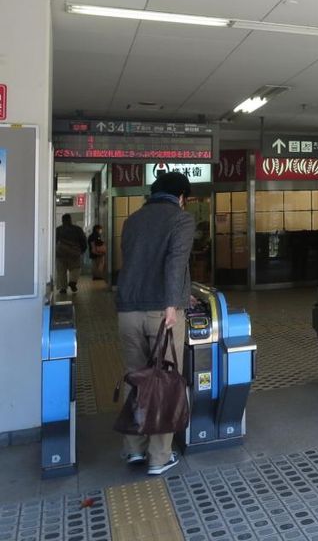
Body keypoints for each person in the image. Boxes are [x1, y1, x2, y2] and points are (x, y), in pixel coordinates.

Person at [116, 172, 195, 476]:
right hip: (161, 314)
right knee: (163, 382)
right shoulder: (181, 219)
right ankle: (159, 457)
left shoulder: (132, 220)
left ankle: (133, 448)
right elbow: (176, 262)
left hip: (128, 310)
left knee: (136, 379)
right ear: (181, 197)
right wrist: (172, 306)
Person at [55, 213, 87, 294]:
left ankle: (63, 288)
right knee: (76, 268)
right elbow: (83, 241)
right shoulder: (77, 229)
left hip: (60, 254)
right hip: (74, 253)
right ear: (70, 220)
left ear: (62, 220)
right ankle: (72, 281)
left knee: (61, 271)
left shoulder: (58, 229)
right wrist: (82, 250)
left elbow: (54, 242)